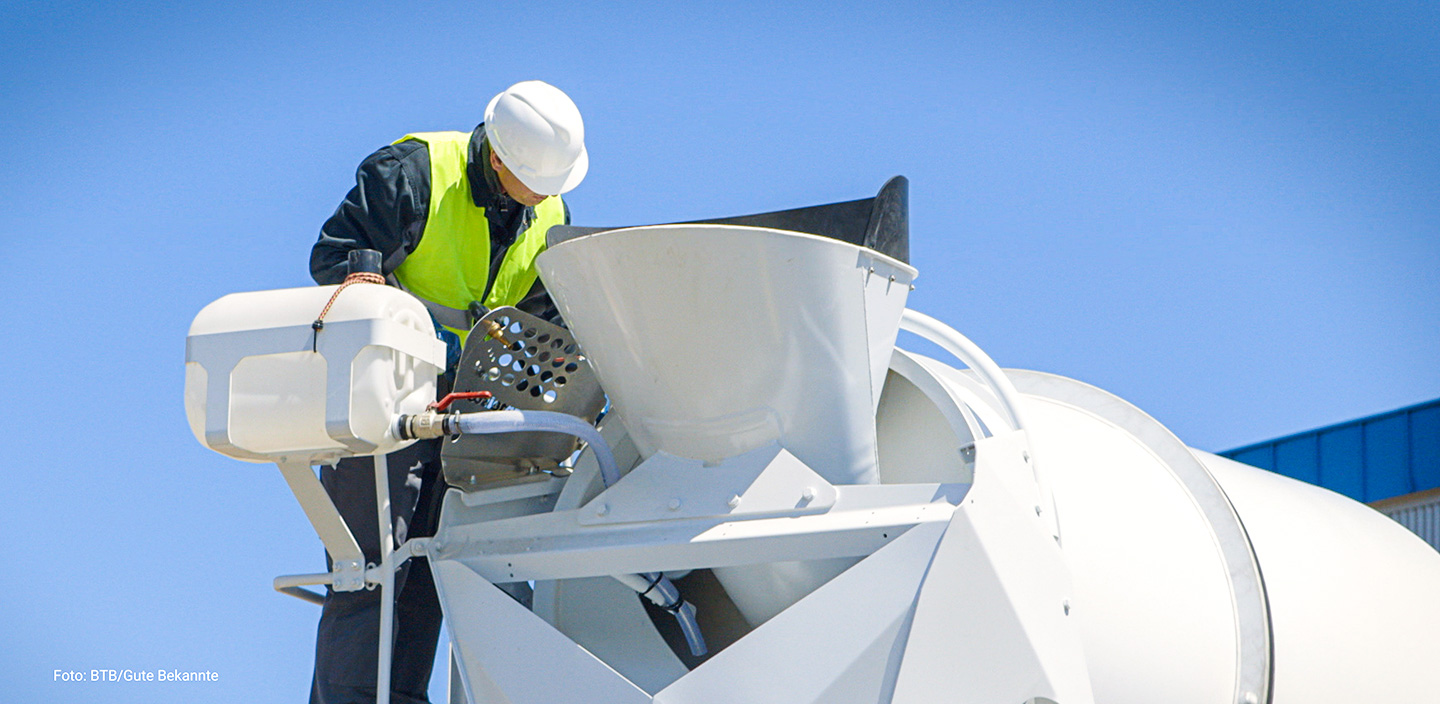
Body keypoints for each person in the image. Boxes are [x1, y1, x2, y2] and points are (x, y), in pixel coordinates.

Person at [306, 80, 588, 704]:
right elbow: (335, 260)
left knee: (438, 573)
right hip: (389, 405)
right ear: (497, 160)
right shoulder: (413, 172)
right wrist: (397, 310)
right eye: (536, 182)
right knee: (371, 573)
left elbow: (542, 322)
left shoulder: (551, 213)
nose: (546, 195)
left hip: (472, 414)